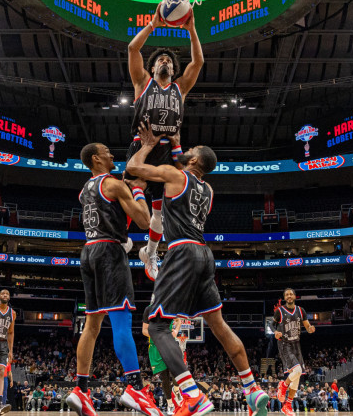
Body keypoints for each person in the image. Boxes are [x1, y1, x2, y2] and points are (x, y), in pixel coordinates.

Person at [125, 123, 269, 416]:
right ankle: (252, 389)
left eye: (189, 150)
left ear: (193, 160)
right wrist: (177, 145)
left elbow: (133, 167)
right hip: (205, 254)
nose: (184, 150)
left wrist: (149, 144)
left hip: (182, 252)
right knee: (218, 324)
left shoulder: (173, 175)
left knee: (156, 325)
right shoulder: (208, 188)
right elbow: (183, 165)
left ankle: (192, 395)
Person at [66, 143, 161, 416]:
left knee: (92, 326)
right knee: (122, 320)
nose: (112, 154)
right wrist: (139, 189)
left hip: (88, 252)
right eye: (107, 151)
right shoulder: (112, 185)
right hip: (109, 252)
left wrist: (129, 182)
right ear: (96, 159)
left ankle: (81, 390)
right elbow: (144, 220)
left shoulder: (85, 189)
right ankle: (135, 388)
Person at [126, 4, 204, 281]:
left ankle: (151, 251)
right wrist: (153, 25)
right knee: (135, 189)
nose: (164, 62)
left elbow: (198, 63)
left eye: (168, 61)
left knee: (160, 212)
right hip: (142, 143)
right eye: (160, 60)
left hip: (166, 152)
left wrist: (192, 29)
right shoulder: (142, 83)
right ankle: (123, 234)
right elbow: (133, 50)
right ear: (153, 66)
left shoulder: (179, 89)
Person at [274, 288, 315, 416]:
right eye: (287, 294)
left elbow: (307, 326)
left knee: (297, 377)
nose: (289, 296)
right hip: (285, 344)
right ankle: (283, 385)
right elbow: (271, 324)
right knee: (297, 371)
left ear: (295, 296)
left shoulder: (300, 310)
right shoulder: (280, 311)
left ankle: (287, 405)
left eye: (291, 294)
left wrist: (310, 329)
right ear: (284, 298)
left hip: (296, 344)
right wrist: (275, 332)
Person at [142, 306, 184, 415]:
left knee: (176, 371)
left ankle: (176, 389)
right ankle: (170, 404)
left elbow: (179, 320)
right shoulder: (149, 310)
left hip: (169, 342)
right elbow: (144, 330)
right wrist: (158, 336)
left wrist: (176, 331)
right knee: (165, 377)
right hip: (155, 346)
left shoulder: (169, 306)